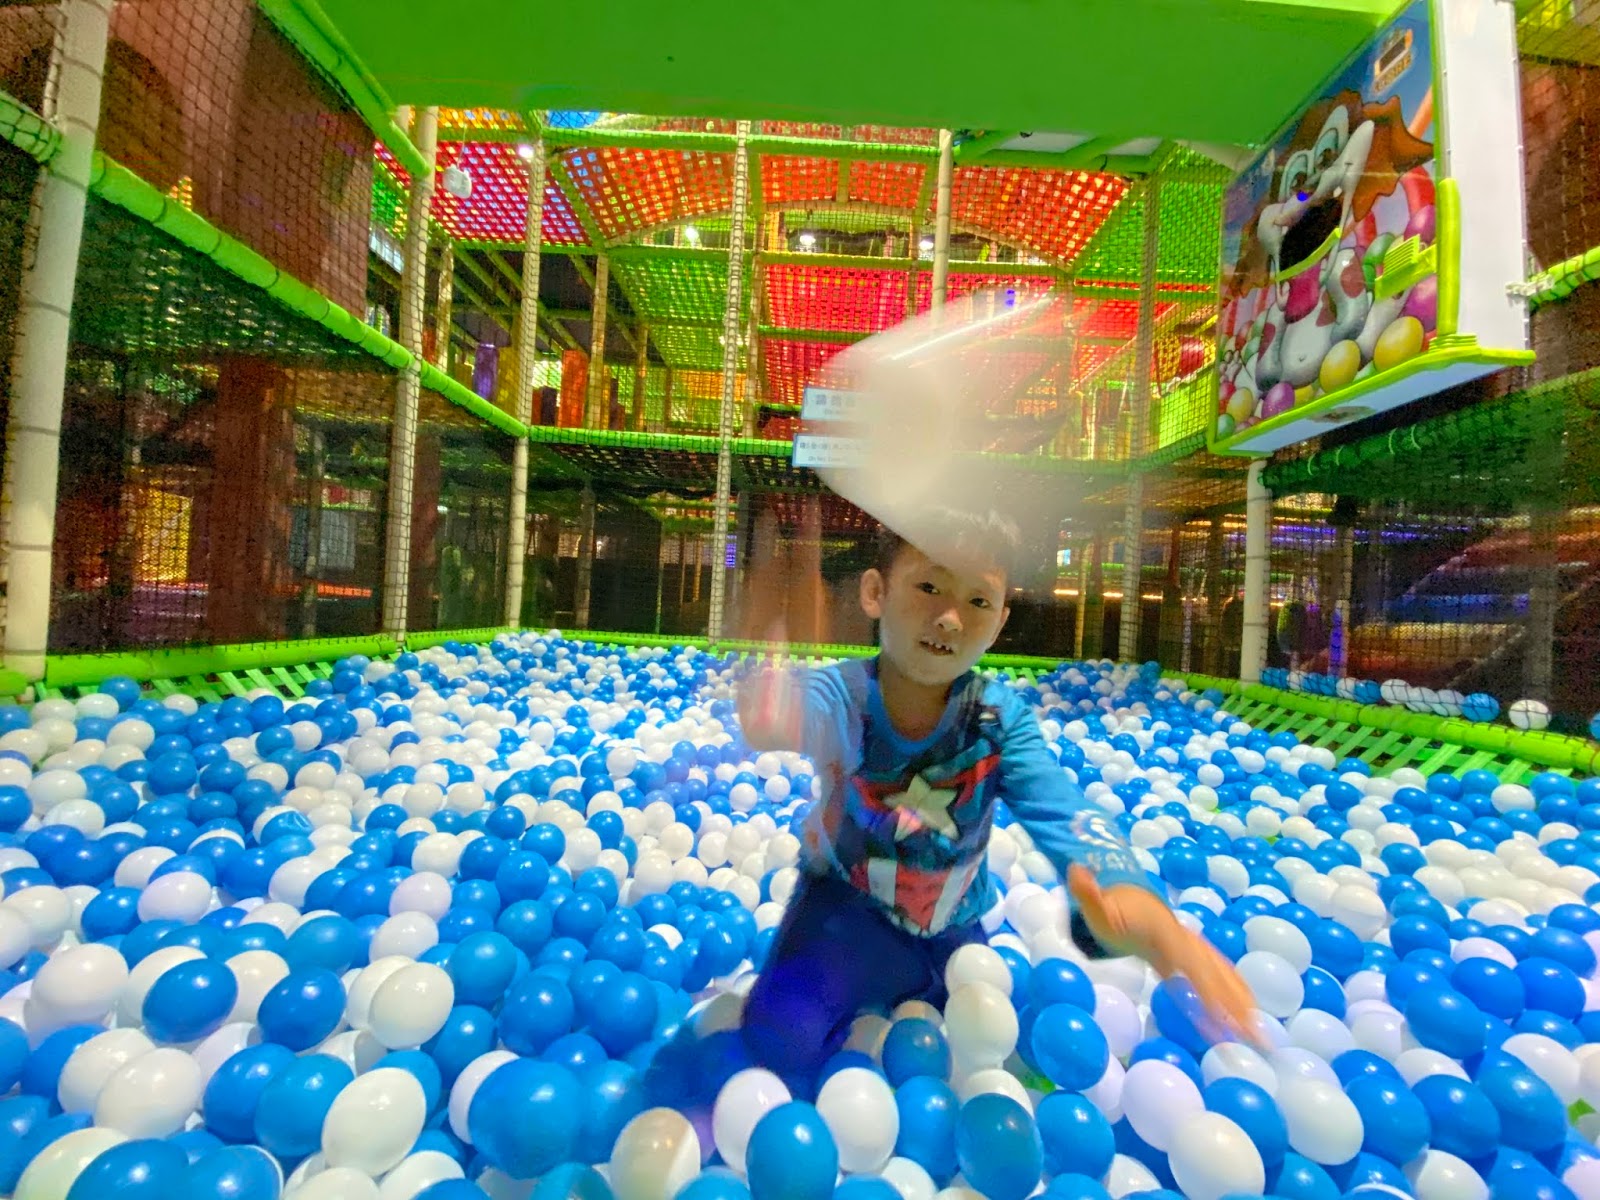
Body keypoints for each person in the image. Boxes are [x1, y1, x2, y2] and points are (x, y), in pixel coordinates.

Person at [723, 503, 1258, 1080]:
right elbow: (800, 709)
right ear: (875, 592)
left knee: (969, 1046)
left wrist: (1127, 889)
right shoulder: (844, 693)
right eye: (929, 587)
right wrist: (771, 710)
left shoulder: (999, 721)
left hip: (948, 929)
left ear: (1000, 622)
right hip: (839, 914)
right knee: (779, 1040)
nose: (951, 619)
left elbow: (1062, 808)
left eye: (977, 601)